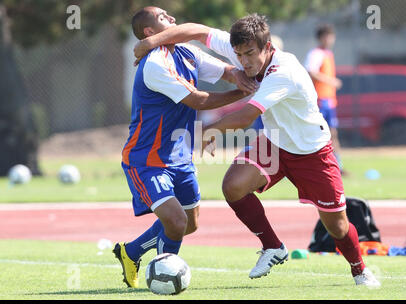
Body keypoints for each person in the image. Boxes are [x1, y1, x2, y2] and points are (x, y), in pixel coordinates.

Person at [134, 14, 380, 287]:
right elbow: (197, 30)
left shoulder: (283, 70)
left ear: (267, 47)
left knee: (337, 226)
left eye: (250, 54)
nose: (244, 61)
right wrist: (150, 43)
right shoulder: (241, 48)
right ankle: (273, 247)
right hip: (275, 142)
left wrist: (209, 131)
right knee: (233, 186)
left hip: (312, 151)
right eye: (239, 55)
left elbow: (245, 116)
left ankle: (360, 270)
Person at [113, 6, 251, 289]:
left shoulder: (186, 52)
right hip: (146, 159)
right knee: (175, 222)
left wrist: (243, 77)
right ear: (149, 32)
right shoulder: (155, 64)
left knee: (190, 224)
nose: (173, 19)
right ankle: (164, 281)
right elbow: (198, 100)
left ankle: (131, 252)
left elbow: (224, 71)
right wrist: (244, 92)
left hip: (180, 158)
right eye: (164, 18)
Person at [304, 24, 346, 175]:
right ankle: (312, 166)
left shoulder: (328, 54)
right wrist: (330, 81)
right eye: (328, 36)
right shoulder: (316, 54)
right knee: (317, 133)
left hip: (329, 101)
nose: (331, 39)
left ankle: (338, 166)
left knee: (333, 133)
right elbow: (310, 71)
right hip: (319, 100)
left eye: (332, 36)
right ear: (321, 38)